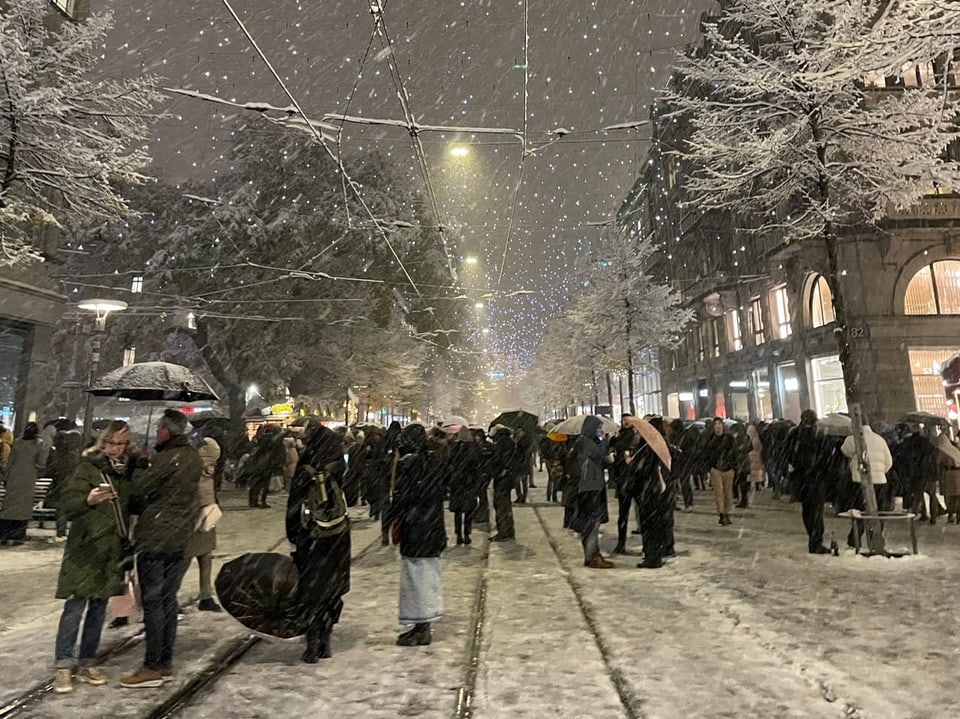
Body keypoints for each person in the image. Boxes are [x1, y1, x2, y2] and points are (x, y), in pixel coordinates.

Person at [52, 420, 137, 694]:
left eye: (121, 443)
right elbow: (68, 503)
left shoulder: (127, 474)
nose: (115, 448)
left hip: (110, 551)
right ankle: (63, 666)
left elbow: (134, 505)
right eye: (111, 442)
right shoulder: (88, 468)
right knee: (75, 607)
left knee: (98, 609)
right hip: (85, 549)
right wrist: (88, 500)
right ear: (104, 442)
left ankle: (88, 660)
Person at [121, 410, 202, 689]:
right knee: (168, 599)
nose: (156, 432)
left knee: (154, 601)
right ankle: (165, 661)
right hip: (179, 537)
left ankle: (152, 665)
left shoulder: (167, 459)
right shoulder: (192, 457)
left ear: (168, 431)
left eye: (159, 428)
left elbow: (139, 492)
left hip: (156, 536)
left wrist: (140, 466)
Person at [286, 426, 351, 662]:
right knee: (332, 590)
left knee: (312, 590)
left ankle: (311, 642)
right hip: (337, 536)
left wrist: (293, 536)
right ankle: (326, 638)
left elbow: (294, 505)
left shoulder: (306, 469)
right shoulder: (339, 467)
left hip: (311, 537)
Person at [389, 424, 447, 646]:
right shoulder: (433, 461)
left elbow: (402, 497)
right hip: (431, 529)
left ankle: (421, 626)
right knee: (427, 577)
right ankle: (424, 623)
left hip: (416, 530)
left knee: (415, 578)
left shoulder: (409, 464)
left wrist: (398, 511)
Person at [178, 432, 223, 612]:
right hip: (197, 513)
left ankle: (205, 595)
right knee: (195, 556)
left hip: (203, 512)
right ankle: (204, 595)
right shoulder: (198, 468)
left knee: (201, 556)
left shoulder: (191, 465)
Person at [570, 416, 613, 568]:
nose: (600, 430)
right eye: (598, 427)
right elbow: (599, 456)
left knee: (592, 523)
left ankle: (594, 554)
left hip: (593, 485)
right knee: (592, 524)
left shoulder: (585, 441)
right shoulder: (586, 442)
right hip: (590, 486)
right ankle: (591, 557)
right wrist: (603, 442)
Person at [841, 423, 894, 546]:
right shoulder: (880, 440)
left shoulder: (853, 438)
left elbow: (845, 451)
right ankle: (876, 538)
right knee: (877, 512)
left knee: (859, 511)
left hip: (859, 480)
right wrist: (879, 472)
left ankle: (855, 538)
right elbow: (889, 462)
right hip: (880, 481)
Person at [787, 410, 831, 554]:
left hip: (801, 481)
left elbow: (788, 456)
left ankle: (812, 537)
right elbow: (825, 459)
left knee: (807, 511)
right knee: (816, 512)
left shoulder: (795, 435)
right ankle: (815, 541)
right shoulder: (818, 436)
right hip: (815, 480)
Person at [0, 422, 44, 544]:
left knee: (9, 506)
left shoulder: (18, 443)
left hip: (14, 476)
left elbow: (10, 462)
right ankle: (18, 535)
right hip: (28, 477)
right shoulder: (39, 444)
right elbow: (41, 462)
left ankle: (4, 533)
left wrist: (6, 477)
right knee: (23, 507)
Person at [45, 420, 83, 541]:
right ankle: (63, 532)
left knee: (61, 510)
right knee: (64, 509)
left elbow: (52, 470)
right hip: (70, 485)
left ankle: (60, 532)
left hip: (60, 485)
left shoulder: (60, 454)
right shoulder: (75, 455)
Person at [609, 416, 638, 554]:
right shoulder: (618, 436)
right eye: (623, 420)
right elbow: (611, 452)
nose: (625, 422)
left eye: (628, 420)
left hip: (635, 478)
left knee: (639, 513)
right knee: (623, 513)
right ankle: (621, 543)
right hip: (623, 479)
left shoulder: (636, 437)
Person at [448, 427, 480, 545]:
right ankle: (467, 534)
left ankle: (458, 535)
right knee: (468, 511)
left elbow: (449, 463)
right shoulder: (473, 448)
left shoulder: (454, 448)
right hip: (468, 483)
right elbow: (476, 465)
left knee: (457, 511)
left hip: (457, 483)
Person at [704, 418, 737, 525]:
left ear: (723, 426)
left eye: (719, 424)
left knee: (728, 492)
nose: (718, 426)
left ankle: (727, 513)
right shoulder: (710, 439)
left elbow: (734, 452)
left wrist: (733, 465)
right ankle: (722, 514)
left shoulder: (729, 438)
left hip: (728, 469)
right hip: (716, 469)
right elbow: (706, 454)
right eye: (715, 424)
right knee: (719, 493)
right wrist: (709, 466)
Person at [489, 426, 516, 541]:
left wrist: (496, 470)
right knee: (506, 504)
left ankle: (503, 531)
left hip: (502, 477)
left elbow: (498, 459)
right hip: (508, 476)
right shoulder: (510, 441)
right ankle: (509, 530)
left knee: (500, 504)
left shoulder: (501, 442)